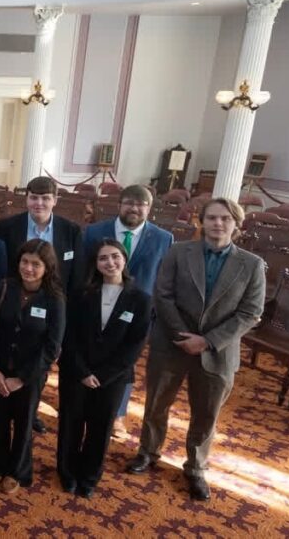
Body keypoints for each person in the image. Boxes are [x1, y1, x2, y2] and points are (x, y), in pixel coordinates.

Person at [126, 198, 265, 501]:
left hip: (219, 350)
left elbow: (251, 312)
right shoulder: (178, 251)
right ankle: (148, 452)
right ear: (201, 222)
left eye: (225, 219)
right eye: (212, 218)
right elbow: (163, 295)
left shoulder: (251, 264)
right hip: (171, 344)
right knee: (156, 405)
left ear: (236, 225)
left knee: (206, 415)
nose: (218, 224)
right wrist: (182, 335)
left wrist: (207, 341)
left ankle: (196, 467)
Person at [57, 240, 151, 498]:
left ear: (124, 259)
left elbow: (135, 345)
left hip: (113, 377)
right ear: (95, 264)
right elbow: (68, 336)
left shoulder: (141, 300)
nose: (109, 263)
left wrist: (103, 374)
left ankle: (89, 476)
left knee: (101, 428)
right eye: (103, 258)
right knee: (70, 424)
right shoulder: (80, 294)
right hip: (77, 372)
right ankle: (67, 472)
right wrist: (83, 371)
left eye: (114, 257)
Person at [0, 176, 82, 433]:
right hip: (15, 303)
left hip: (52, 308)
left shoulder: (71, 230)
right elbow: (2, 269)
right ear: (27, 198)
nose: (39, 203)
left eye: (45, 198)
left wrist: (65, 320)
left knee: (40, 363)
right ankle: (5, 407)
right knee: (11, 357)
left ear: (55, 200)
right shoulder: (7, 226)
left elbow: (75, 277)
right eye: (34, 197)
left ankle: (30, 411)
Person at [83, 185, 172, 436]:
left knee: (125, 359)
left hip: (138, 310)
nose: (134, 208)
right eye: (129, 203)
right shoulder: (94, 231)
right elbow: (83, 268)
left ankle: (118, 413)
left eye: (141, 204)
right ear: (119, 205)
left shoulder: (163, 238)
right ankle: (88, 400)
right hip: (98, 300)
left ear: (149, 208)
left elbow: (164, 278)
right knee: (93, 354)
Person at [0, 239, 65, 495]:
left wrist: (21, 379)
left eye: (35, 264)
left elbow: (52, 346)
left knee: (23, 422)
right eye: (25, 262)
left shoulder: (54, 299)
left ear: (47, 267)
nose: (28, 268)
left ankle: (17, 470)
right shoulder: (2, 288)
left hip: (30, 375)